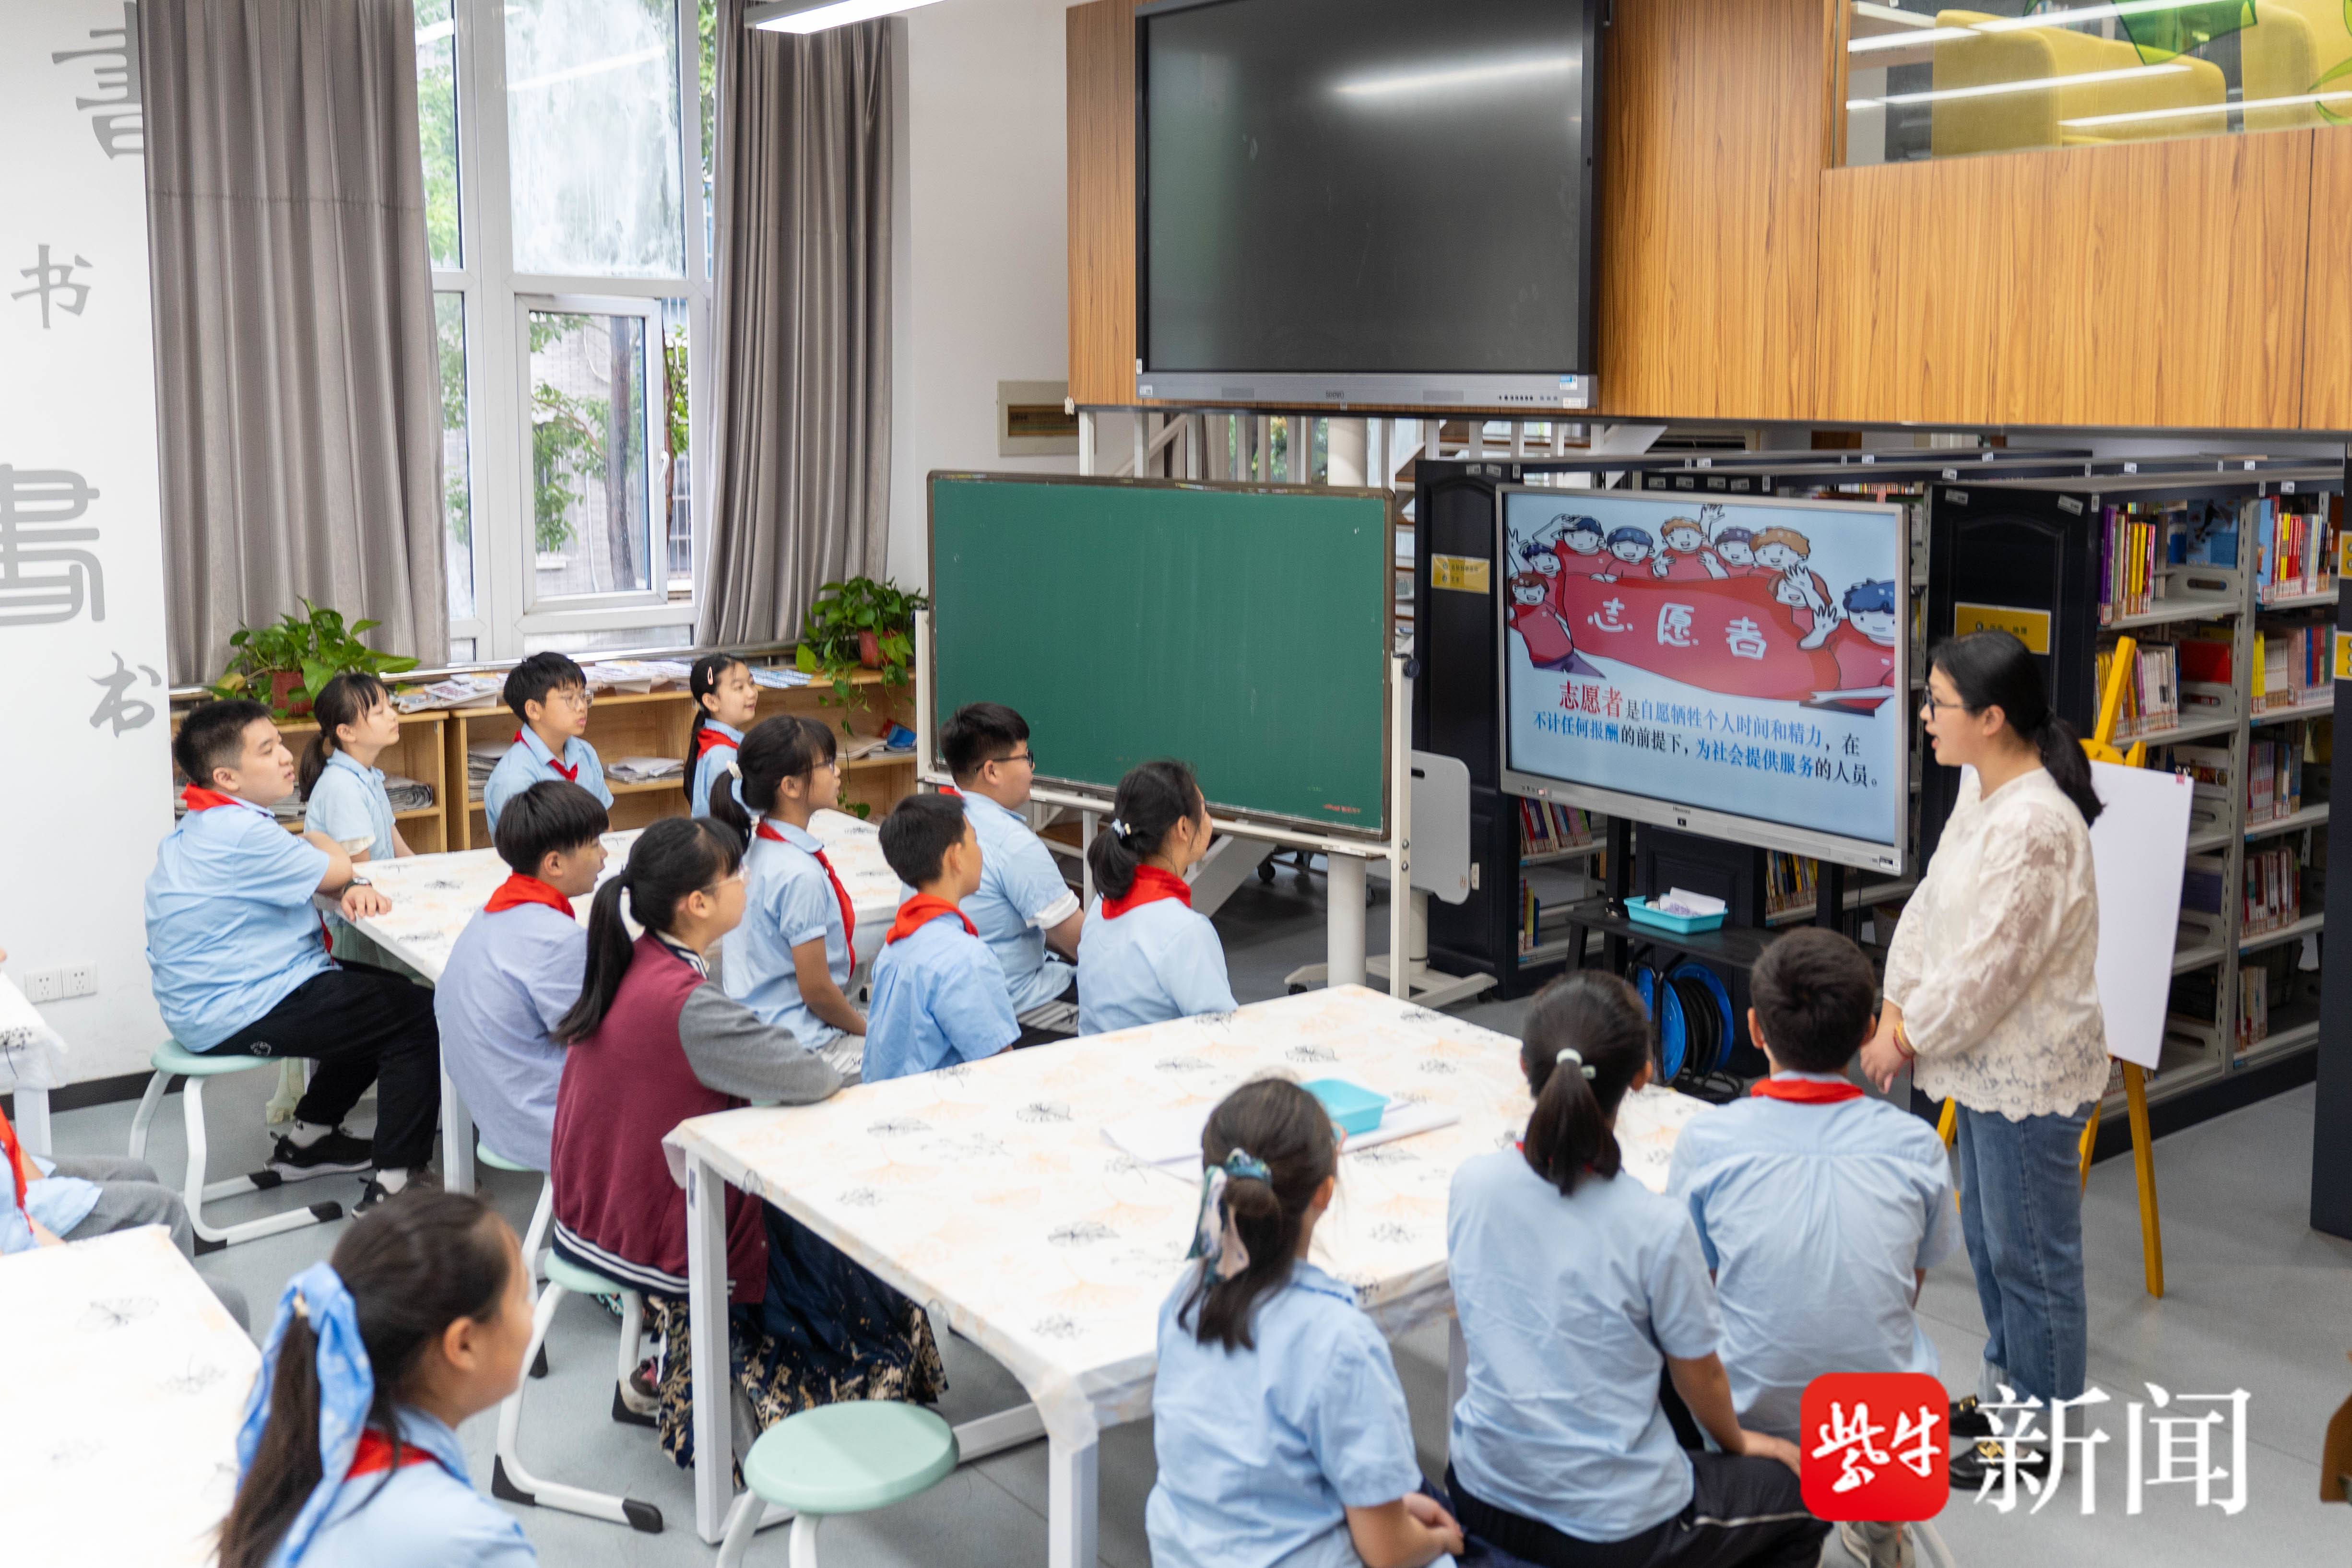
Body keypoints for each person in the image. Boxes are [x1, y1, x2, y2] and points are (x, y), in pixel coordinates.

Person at [548, 818, 942, 1466]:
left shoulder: (636, 962)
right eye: (734, 875)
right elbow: (811, 1076)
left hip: (601, 1206)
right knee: (853, 1231)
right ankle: (827, 1426)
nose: (746, 881)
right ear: (696, 904)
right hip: (663, 1226)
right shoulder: (689, 1004)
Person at [1446, 973, 1825, 1568]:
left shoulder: (1472, 1183)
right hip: (1612, 1529)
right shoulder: (1656, 1225)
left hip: (1480, 1489)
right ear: (1644, 1073)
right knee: (1811, 1488)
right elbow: (1700, 1377)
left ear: (1524, 1065)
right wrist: (1743, 1441)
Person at [1859, 630, 2107, 1487]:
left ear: (1992, 717)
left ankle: (2037, 1435)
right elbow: (1932, 903)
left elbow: (1989, 970)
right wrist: (1895, 1003)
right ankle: (2005, 1388)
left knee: (2031, 1256)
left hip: (2027, 1071)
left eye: (1937, 703)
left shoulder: (2036, 825)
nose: (1925, 717)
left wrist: (1904, 1036)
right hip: (1981, 1063)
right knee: (1990, 1239)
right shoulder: (1981, 786)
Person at [1668, 929, 1956, 1568]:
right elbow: (1904, 1289)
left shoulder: (1706, 1142)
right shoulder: (1918, 1148)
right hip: (1879, 1431)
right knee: (1894, 1345)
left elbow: (1698, 1296)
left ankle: (1750, 1520)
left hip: (1747, 1424)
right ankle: (1881, 1517)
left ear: (1753, 1028)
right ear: (1868, 1030)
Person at [1146, 1078, 1464, 1568]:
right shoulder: (1339, 1340)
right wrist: (1442, 1541)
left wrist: (1388, 1507)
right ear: (1325, 1192)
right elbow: (1388, 1552)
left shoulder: (1185, 1299)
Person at [146, 700, 439, 1211]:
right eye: (267, 750)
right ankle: (397, 1182)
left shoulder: (201, 825)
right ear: (227, 777)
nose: (286, 756)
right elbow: (337, 868)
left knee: (384, 997)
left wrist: (329, 868)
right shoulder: (242, 832)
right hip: (238, 1008)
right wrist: (324, 845)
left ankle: (311, 1140)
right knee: (418, 1015)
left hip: (214, 1000)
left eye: (279, 742)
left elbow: (317, 876)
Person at [215, 1191, 538, 1568]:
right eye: (522, 1296)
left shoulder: (299, 1445)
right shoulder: (476, 1543)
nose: (532, 1312)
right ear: (464, 1343)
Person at [434, 779, 608, 1173]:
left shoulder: (489, 916)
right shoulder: (556, 939)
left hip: (495, 1116)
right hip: (545, 1125)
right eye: (595, 844)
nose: (604, 855)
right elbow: (597, 1039)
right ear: (554, 864)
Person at [712, 716, 868, 1081]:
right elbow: (817, 991)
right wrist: (867, 1029)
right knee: (913, 1057)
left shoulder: (757, 850)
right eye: (827, 764)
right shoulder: (798, 873)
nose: (837, 772)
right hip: (801, 1045)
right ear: (791, 786)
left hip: (761, 1034)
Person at [939, 703, 1083, 1041]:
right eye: (1025, 757)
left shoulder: (938, 819)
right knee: (1131, 1009)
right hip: (1010, 1005)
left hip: (952, 1000)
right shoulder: (1011, 842)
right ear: (992, 771)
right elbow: (1081, 943)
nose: (1033, 768)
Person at [863, 793, 1018, 1084]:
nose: (981, 852)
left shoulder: (895, 946)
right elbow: (999, 1067)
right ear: (955, 857)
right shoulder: (966, 958)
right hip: (943, 1104)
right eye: (975, 841)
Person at [1076, 759, 1237, 1036]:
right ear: (1183, 828)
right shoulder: (1186, 931)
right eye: (1204, 810)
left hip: (1096, 1059)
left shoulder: (1101, 903)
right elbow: (1220, 1032)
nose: (1209, 820)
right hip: (1158, 1062)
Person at [482, 652, 611, 834]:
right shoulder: (513, 777)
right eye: (569, 698)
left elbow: (604, 828)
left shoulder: (585, 753)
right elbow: (531, 849)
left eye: (583, 695)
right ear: (534, 710)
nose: (582, 706)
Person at [300, 672, 413, 865]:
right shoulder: (342, 787)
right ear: (346, 732)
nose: (393, 715)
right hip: (362, 883)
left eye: (390, 706)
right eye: (379, 712)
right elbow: (360, 872)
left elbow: (400, 851)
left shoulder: (368, 775)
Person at [686, 651, 757, 819]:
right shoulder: (721, 753)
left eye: (752, 683)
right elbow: (736, 810)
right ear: (711, 702)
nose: (752, 693)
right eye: (739, 688)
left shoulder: (723, 741)